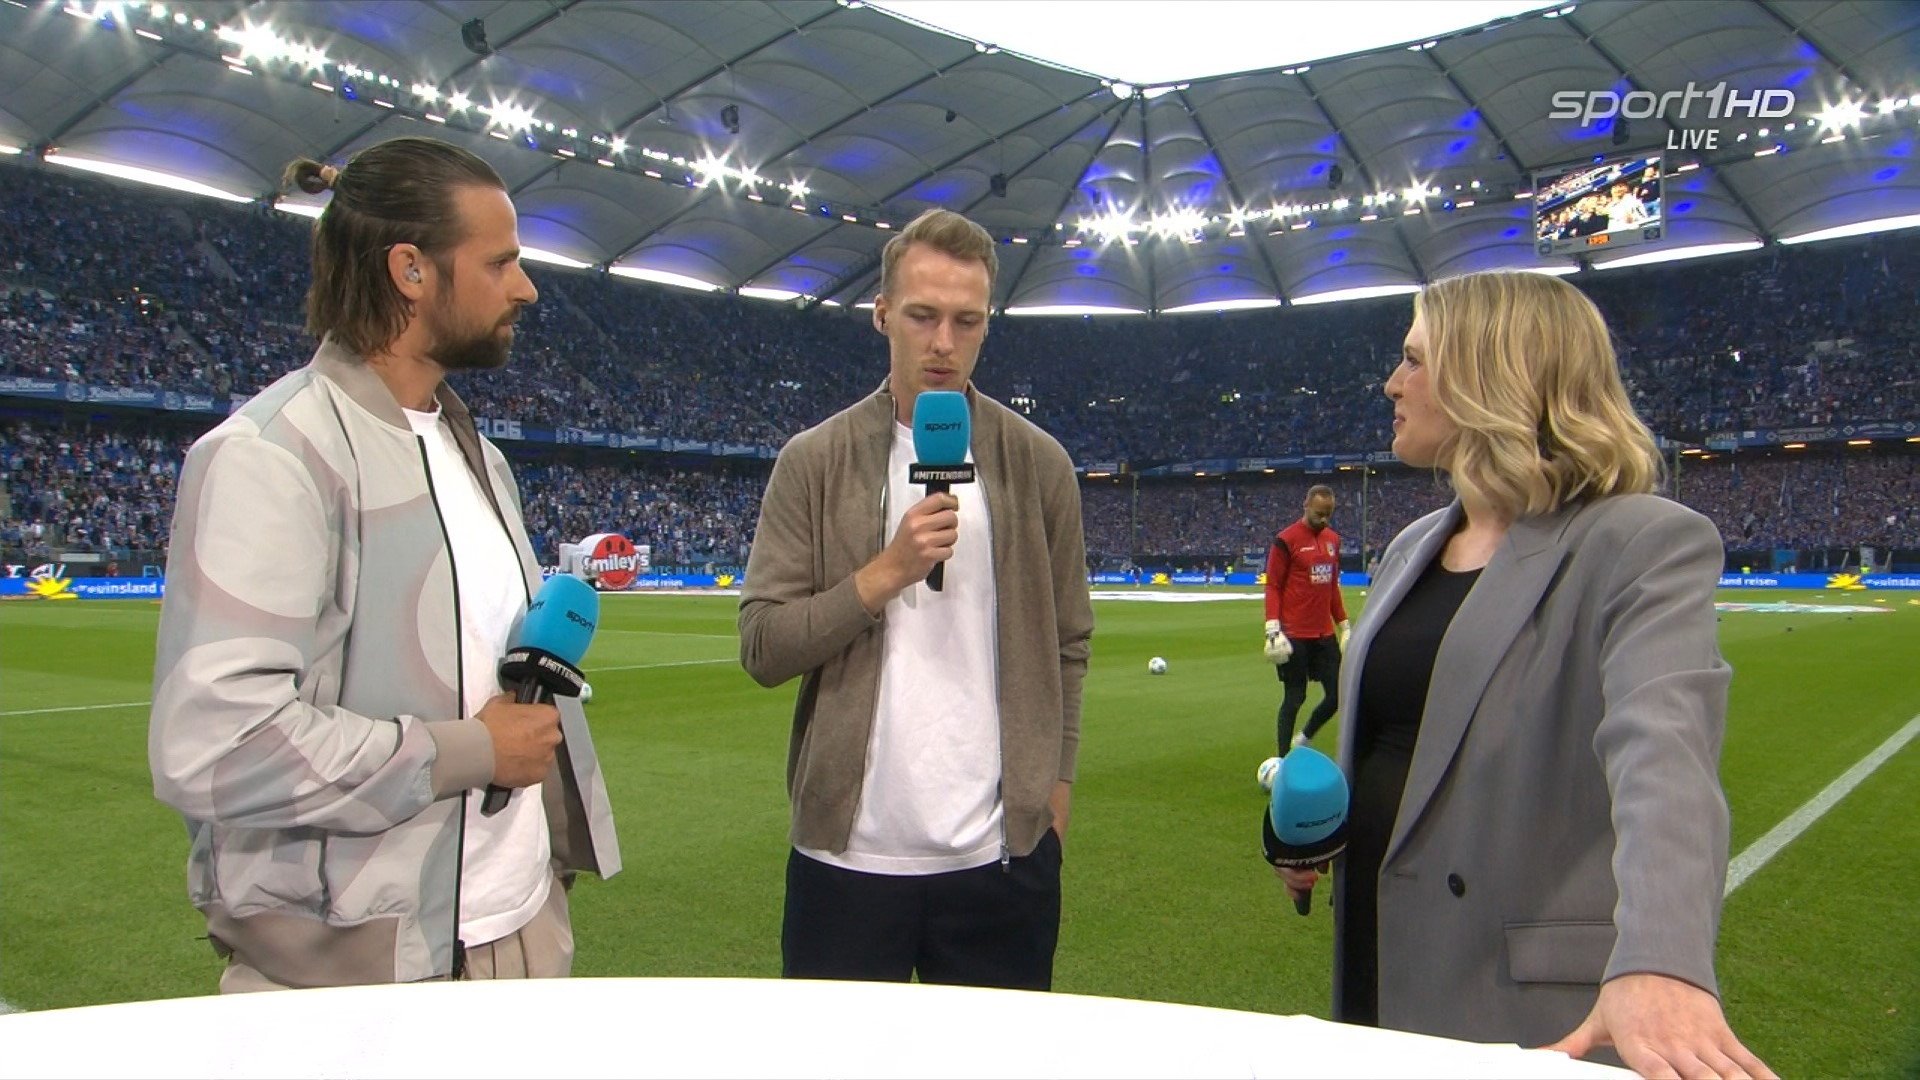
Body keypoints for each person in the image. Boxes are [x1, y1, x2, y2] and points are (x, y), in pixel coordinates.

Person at [149, 136, 620, 991]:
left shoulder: (481, 458)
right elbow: (217, 745)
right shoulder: (271, 457)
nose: (526, 287)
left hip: (517, 930)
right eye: (501, 262)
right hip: (359, 973)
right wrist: (469, 751)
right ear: (410, 270)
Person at [1277, 271, 1773, 1078]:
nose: (1392, 383)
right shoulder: (1412, 548)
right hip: (1378, 960)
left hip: (1515, 1001)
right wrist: (1323, 833)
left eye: (1414, 359)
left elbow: (1665, 756)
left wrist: (1664, 959)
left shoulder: (1639, 542)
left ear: (1487, 374)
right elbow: (1406, 744)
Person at [738, 207, 1094, 990]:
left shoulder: (1040, 466)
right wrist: (882, 575)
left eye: (967, 321)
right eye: (922, 316)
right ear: (881, 314)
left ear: (987, 325)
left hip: (1002, 861)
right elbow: (762, 647)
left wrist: (1055, 787)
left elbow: (1070, 641)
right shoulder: (814, 461)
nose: (943, 342)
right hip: (845, 859)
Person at [1262, 484, 1350, 754]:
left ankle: (1304, 737)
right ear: (1306, 505)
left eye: (1328, 514)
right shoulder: (1286, 540)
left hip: (1324, 634)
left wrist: (1344, 624)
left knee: (1338, 694)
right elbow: (1273, 585)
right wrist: (1272, 628)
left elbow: (1331, 586)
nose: (1323, 519)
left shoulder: (1333, 540)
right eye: (1319, 513)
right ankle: (1282, 760)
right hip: (1294, 635)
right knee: (1294, 697)